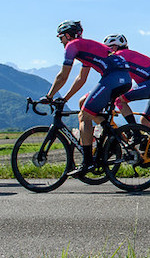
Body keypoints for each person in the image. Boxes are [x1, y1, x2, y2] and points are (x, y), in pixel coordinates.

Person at [43, 20, 132, 175]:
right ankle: (112, 137)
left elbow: (63, 76)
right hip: (121, 78)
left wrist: (49, 96)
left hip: (113, 78)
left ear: (68, 35)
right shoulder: (85, 48)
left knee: (85, 115)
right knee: (84, 104)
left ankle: (88, 162)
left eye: (61, 37)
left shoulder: (72, 46)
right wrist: (64, 99)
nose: (60, 42)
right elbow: (80, 79)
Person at [103, 34, 150, 129]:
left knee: (119, 101)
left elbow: (117, 80)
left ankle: (135, 132)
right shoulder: (130, 54)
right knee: (145, 121)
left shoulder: (119, 56)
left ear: (115, 46)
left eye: (109, 48)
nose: (108, 52)